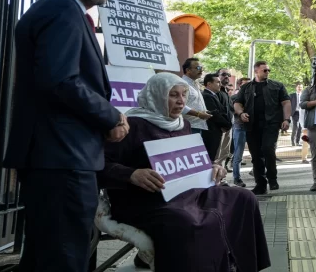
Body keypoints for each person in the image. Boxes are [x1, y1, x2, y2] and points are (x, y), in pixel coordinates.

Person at [2, 0, 129, 272]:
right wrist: (111, 115)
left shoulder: (63, 12)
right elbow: (60, 81)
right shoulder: (62, 11)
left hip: (59, 157)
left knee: (47, 255)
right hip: (62, 158)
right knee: (64, 258)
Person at [98, 73, 270, 271]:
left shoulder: (183, 124)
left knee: (244, 197)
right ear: (156, 96)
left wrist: (212, 167)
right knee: (187, 220)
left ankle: (239, 265)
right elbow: (100, 164)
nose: (181, 101)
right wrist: (132, 174)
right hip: (147, 201)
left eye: (184, 94)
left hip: (189, 195)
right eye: (173, 95)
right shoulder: (132, 125)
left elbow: (192, 163)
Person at [234, 61, 292, 194]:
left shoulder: (277, 86)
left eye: (268, 70)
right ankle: (260, 184)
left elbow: (286, 102)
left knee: (267, 149)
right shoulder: (246, 87)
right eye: (264, 70)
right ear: (256, 71)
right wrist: (241, 113)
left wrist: (286, 119)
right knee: (256, 155)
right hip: (252, 125)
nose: (267, 72)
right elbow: (237, 103)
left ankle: (272, 178)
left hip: (271, 124)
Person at [201, 73, 233, 162]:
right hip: (211, 132)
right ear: (209, 84)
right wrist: (227, 125)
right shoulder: (207, 96)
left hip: (217, 131)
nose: (220, 84)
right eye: (218, 82)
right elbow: (215, 115)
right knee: (211, 158)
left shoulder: (214, 95)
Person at [181, 58, 213, 133]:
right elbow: (179, 105)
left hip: (197, 125)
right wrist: (198, 114)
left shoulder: (194, 84)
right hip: (188, 126)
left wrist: (205, 112)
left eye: (201, 68)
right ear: (188, 70)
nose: (201, 70)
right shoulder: (182, 84)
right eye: (198, 68)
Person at [232, 77, 251, 187]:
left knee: (258, 153)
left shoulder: (254, 97)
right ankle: (237, 178)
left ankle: (258, 174)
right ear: (240, 86)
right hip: (240, 128)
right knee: (238, 155)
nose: (248, 87)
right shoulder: (235, 97)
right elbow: (232, 111)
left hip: (252, 128)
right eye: (245, 85)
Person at [215, 68, 234, 170]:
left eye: (228, 75)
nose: (227, 77)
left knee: (224, 153)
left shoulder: (226, 91)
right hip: (220, 128)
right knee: (217, 154)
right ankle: (217, 179)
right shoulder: (216, 91)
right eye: (224, 74)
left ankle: (221, 178)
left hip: (228, 128)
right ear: (218, 75)